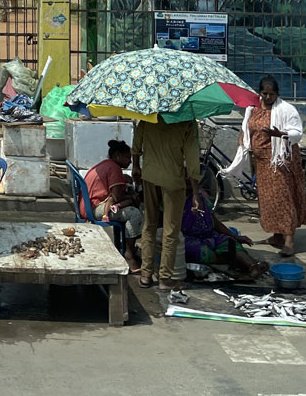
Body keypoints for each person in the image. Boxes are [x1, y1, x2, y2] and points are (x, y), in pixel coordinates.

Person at [222, 75, 306, 257]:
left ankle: (289, 241)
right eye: (265, 93)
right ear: (260, 92)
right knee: (269, 201)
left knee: (283, 198)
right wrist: (242, 137)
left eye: (272, 94)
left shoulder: (286, 110)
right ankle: (277, 236)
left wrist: (281, 134)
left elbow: (297, 132)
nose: (268, 97)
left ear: (277, 94)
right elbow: (247, 126)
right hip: (261, 163)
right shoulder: (252, 108)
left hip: (280, 162)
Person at [132, 118, 200, 289]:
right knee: (171, 229)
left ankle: (146, 275)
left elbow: (136, 145)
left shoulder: (148, 117)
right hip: (173, 180)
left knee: (149, 225)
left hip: (149, 175)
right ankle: (165, 278)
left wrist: (135, 167)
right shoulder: (187, 122)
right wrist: (195, 192)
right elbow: (192, 160)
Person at [83, 139, 142, 271]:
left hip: (90, 205)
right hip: (95, 208)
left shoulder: (107, 164)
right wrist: (132, 196)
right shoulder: (114, 168)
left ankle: (127, 247)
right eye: (127, 157)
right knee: (135, 214)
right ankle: (129, 254)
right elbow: (116, 197)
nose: (130, 162)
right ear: (117, 155)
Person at [181, 188, 267, 279]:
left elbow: (215, 222)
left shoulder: (201, 198)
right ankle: (231, 261)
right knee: (194, 250)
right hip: (189, 239)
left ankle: (252, 266)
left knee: (230, 242)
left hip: (210, 235)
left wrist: (235, 236)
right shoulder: (175, 201)